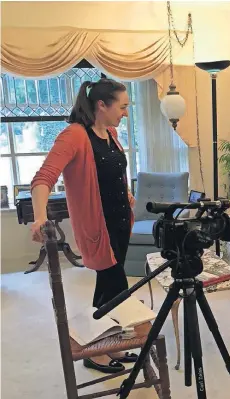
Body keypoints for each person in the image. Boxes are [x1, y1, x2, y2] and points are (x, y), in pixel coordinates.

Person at [30, 79, 137, 374]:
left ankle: (111, 344)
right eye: (123, 106)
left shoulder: (111, 133)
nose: (126, 112)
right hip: (97, 227)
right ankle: (97, 352)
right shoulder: (74, 136)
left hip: (119, 222)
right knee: (115, 286)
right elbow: (43, 179)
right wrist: (40, 217)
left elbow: (113, 171)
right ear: (101, 105)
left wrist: (125, 192)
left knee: (110, 286)